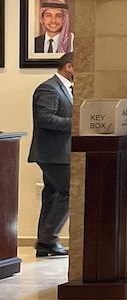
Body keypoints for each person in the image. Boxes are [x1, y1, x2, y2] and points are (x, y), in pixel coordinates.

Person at [28, 51, 74, 257]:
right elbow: (45, 119)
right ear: (69, 67)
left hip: (58, 153)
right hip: (53, 154)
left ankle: (44, 244)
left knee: (52, 194)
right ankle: (48, 239)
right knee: (69, 192)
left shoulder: (64, 88)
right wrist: (77, 124)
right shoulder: (49, 88)